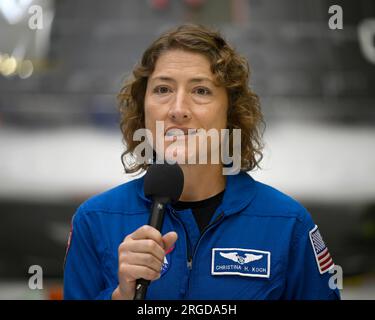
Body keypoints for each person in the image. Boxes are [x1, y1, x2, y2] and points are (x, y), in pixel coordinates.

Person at [63, 24, 340, 300]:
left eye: (201, 91)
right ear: (142, 107)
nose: (179, 110)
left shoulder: (288, 224)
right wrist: (121, 297)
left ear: (231, 112)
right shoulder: (95, 220)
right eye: (162, 89)